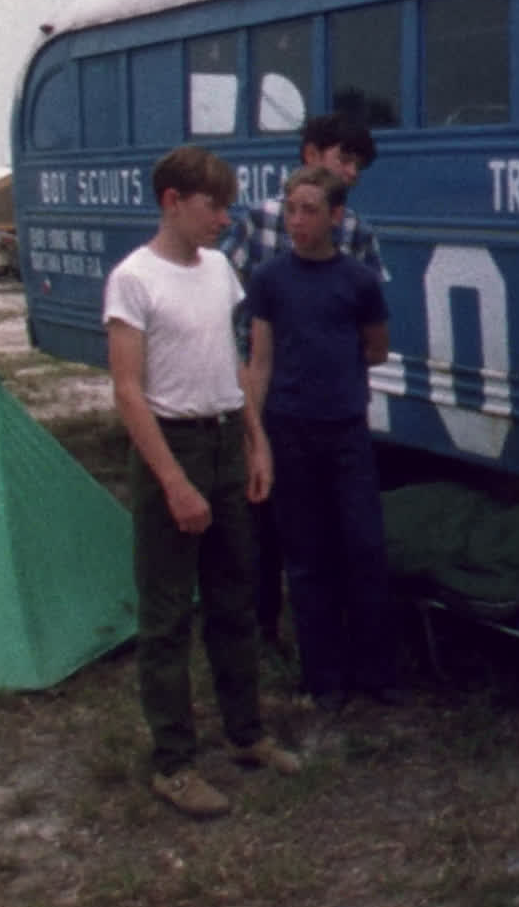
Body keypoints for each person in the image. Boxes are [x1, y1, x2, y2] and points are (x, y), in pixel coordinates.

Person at [103, 145, 303, 820]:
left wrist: (255, 440)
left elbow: (235, 361)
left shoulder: (219, 269)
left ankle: (247, 734)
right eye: (213, 206)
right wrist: (173, 483)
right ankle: (174, 764)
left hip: (223, 438)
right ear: (172, 202)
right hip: (173, 443)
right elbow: (129, 392)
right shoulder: (134, 280)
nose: (225, 217)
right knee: (165, 618)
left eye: (227, 204)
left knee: (235, 599)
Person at [223, 112, 383, 651]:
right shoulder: (259, 221)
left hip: (332, 396)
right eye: (344, 158)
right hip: (272, 386)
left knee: (332, 526)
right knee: (271, 517)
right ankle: (266, 620)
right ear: (311, 155)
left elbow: (367, 316)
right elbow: (233, 302)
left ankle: (334, 633)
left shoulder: (354, 229)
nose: (353, 172)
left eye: (358, 165)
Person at [244, 165, 398, 715]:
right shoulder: (269, 280)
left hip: (346, 432)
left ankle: (377, 671)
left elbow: (375, 348)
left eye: (310, 210)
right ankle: (323, 678)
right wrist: (255, 431)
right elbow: (259, 362)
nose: (298, 221)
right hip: (290, 431)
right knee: (306, 557)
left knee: (363, 547)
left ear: (336, 216)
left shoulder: (357, 281)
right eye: (291, 210)